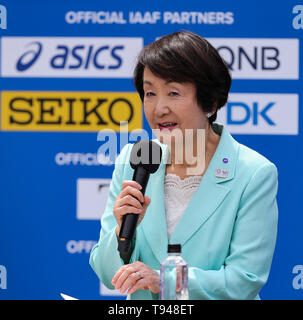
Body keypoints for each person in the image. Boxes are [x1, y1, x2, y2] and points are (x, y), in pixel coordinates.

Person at [89, 31, 278, 300]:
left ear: (211, 102)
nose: (159, 108)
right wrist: (121, 232)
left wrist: (165, 281)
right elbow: (108, 274)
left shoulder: (253, 172)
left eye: (173, 93)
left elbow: (244, 280)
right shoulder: (133, 159)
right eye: (150, 93)